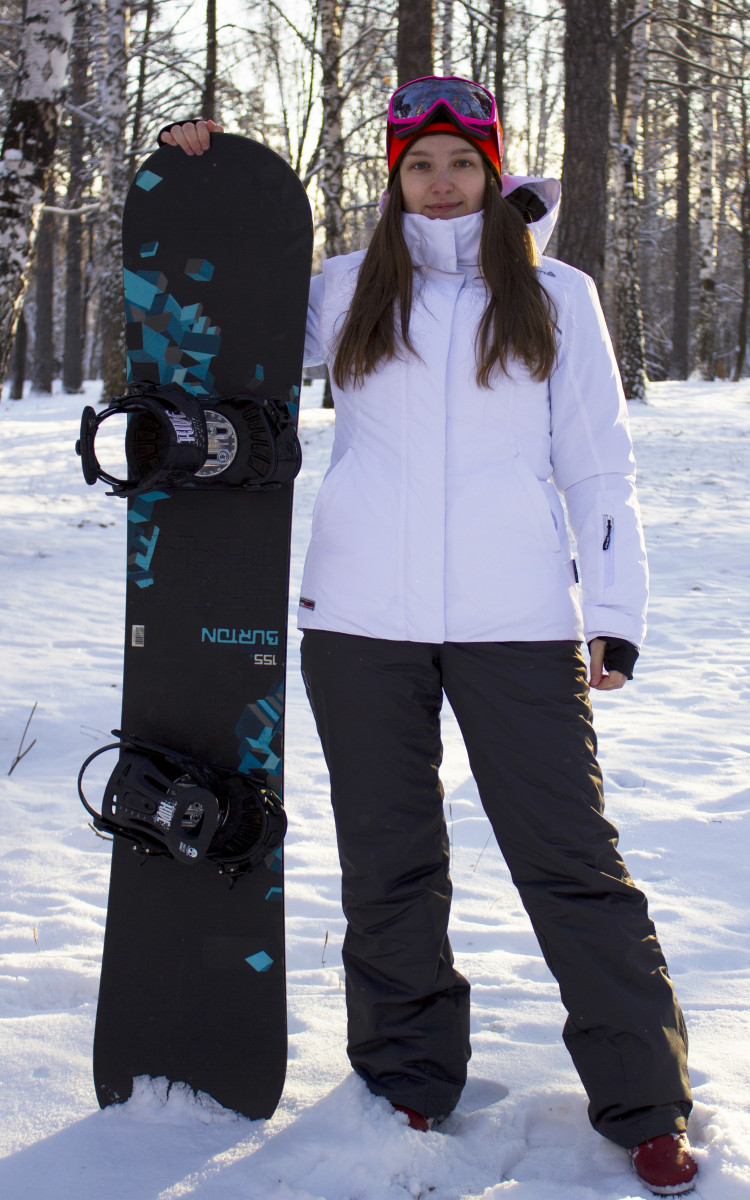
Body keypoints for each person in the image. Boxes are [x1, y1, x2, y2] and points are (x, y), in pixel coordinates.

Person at [161, 77, 698, 1195]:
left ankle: (645, 1100)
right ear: (393, 179)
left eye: (461, 163)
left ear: (493, 170)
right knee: (390, 862)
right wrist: (206, 180)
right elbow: (222, 321)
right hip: (361, 622)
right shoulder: (343, 288)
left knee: (571, 860)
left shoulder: (555, 295)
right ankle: (408, 1074)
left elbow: (599, 468)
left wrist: (614, 612)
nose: (442, 184)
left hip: (519, 625)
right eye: (420, 166)